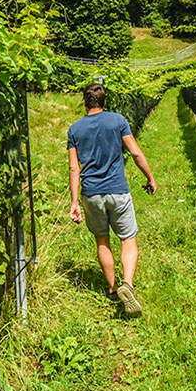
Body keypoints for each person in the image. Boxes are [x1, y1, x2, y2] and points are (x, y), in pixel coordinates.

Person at [68, 82, 156, 317]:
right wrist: (150, 178)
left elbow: (74, 168)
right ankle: (128, 284)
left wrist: (75, 202)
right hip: (117, 190)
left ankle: (112, 288)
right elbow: (135, 152)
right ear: (104, 102)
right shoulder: (118, 120)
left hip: (91, 194)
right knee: (128, 240)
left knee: (102, 241)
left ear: (84, 102)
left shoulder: (74, 129)